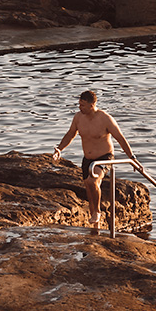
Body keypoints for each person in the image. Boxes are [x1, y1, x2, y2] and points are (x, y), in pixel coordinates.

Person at [56, 89, 134, 226]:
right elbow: (70, 134)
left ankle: (97, 211)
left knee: (93, 181)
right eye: (79, 104)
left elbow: (121, 139)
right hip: (88, 159)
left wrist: (132, 158)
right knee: (88, 187)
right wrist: (59, 149)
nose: (80, 108)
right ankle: (94, 222)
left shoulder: (105, 119)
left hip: (104, 157)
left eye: (83, 105)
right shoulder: (78, 118)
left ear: (92, 105)